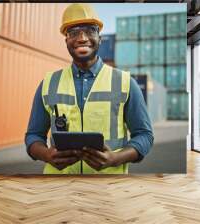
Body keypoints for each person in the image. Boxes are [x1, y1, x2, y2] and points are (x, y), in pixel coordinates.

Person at [25, 3, 153, 174]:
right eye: (73, 32)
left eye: (90, 30)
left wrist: (115, 159)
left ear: (100, 38)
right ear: (67, 41)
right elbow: (33, 136)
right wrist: (46, 154)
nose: (82, 38)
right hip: (58, 187)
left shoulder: (126, 82)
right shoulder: (48, 83)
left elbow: (144, 135)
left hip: (108, 188)